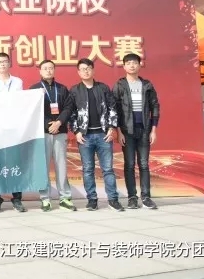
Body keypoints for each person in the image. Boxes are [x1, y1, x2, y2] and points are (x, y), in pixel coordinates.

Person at [68, 58, 124, 212]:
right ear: (78, 72)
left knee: (108, 169)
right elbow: (71, 113)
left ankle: (113, 199)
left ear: (93, 70)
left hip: (103, 135)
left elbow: (112, 109)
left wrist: (111, 128)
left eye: (88, 68)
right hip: (85, 137)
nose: (86, 71)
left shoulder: (103, 88)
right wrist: (76, 131)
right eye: (82, 69)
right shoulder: (75, 90)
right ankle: (92, 200)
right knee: (88, 169)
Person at [113, 53, 160, 210]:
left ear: (139, 65)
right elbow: (115, 109)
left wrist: (153, 130)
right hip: (127, 131)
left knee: (144, 164)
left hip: (144, 130)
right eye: (128, 63)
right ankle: (132, 197)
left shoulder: (147, 85)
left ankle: (146, 197)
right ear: (124, 66)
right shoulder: (120, 85)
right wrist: (119, 131)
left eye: (134, 63)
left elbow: (155, 107)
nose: (132, 65)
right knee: (129, 164)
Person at [30, 60, 76, 212]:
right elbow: (33, 111)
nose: (48, 70)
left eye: (51, 68)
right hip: (43, 133)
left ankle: (65, 198)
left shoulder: (62, 88)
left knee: (61, 166)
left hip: (60, 132)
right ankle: (45, 199)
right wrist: (49, 124)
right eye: (45, 68)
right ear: (40, 71)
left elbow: (68, 108)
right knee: (43, 167)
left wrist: (59, 122)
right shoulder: (34, 89)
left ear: (54, 70)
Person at [0, 52, 27, 213]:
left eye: (5, 61)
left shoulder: (17, 82)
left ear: (10, 64)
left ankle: (17, 198)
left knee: (15, 163)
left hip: (14, 128)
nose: (2, 64)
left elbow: (22, 102)